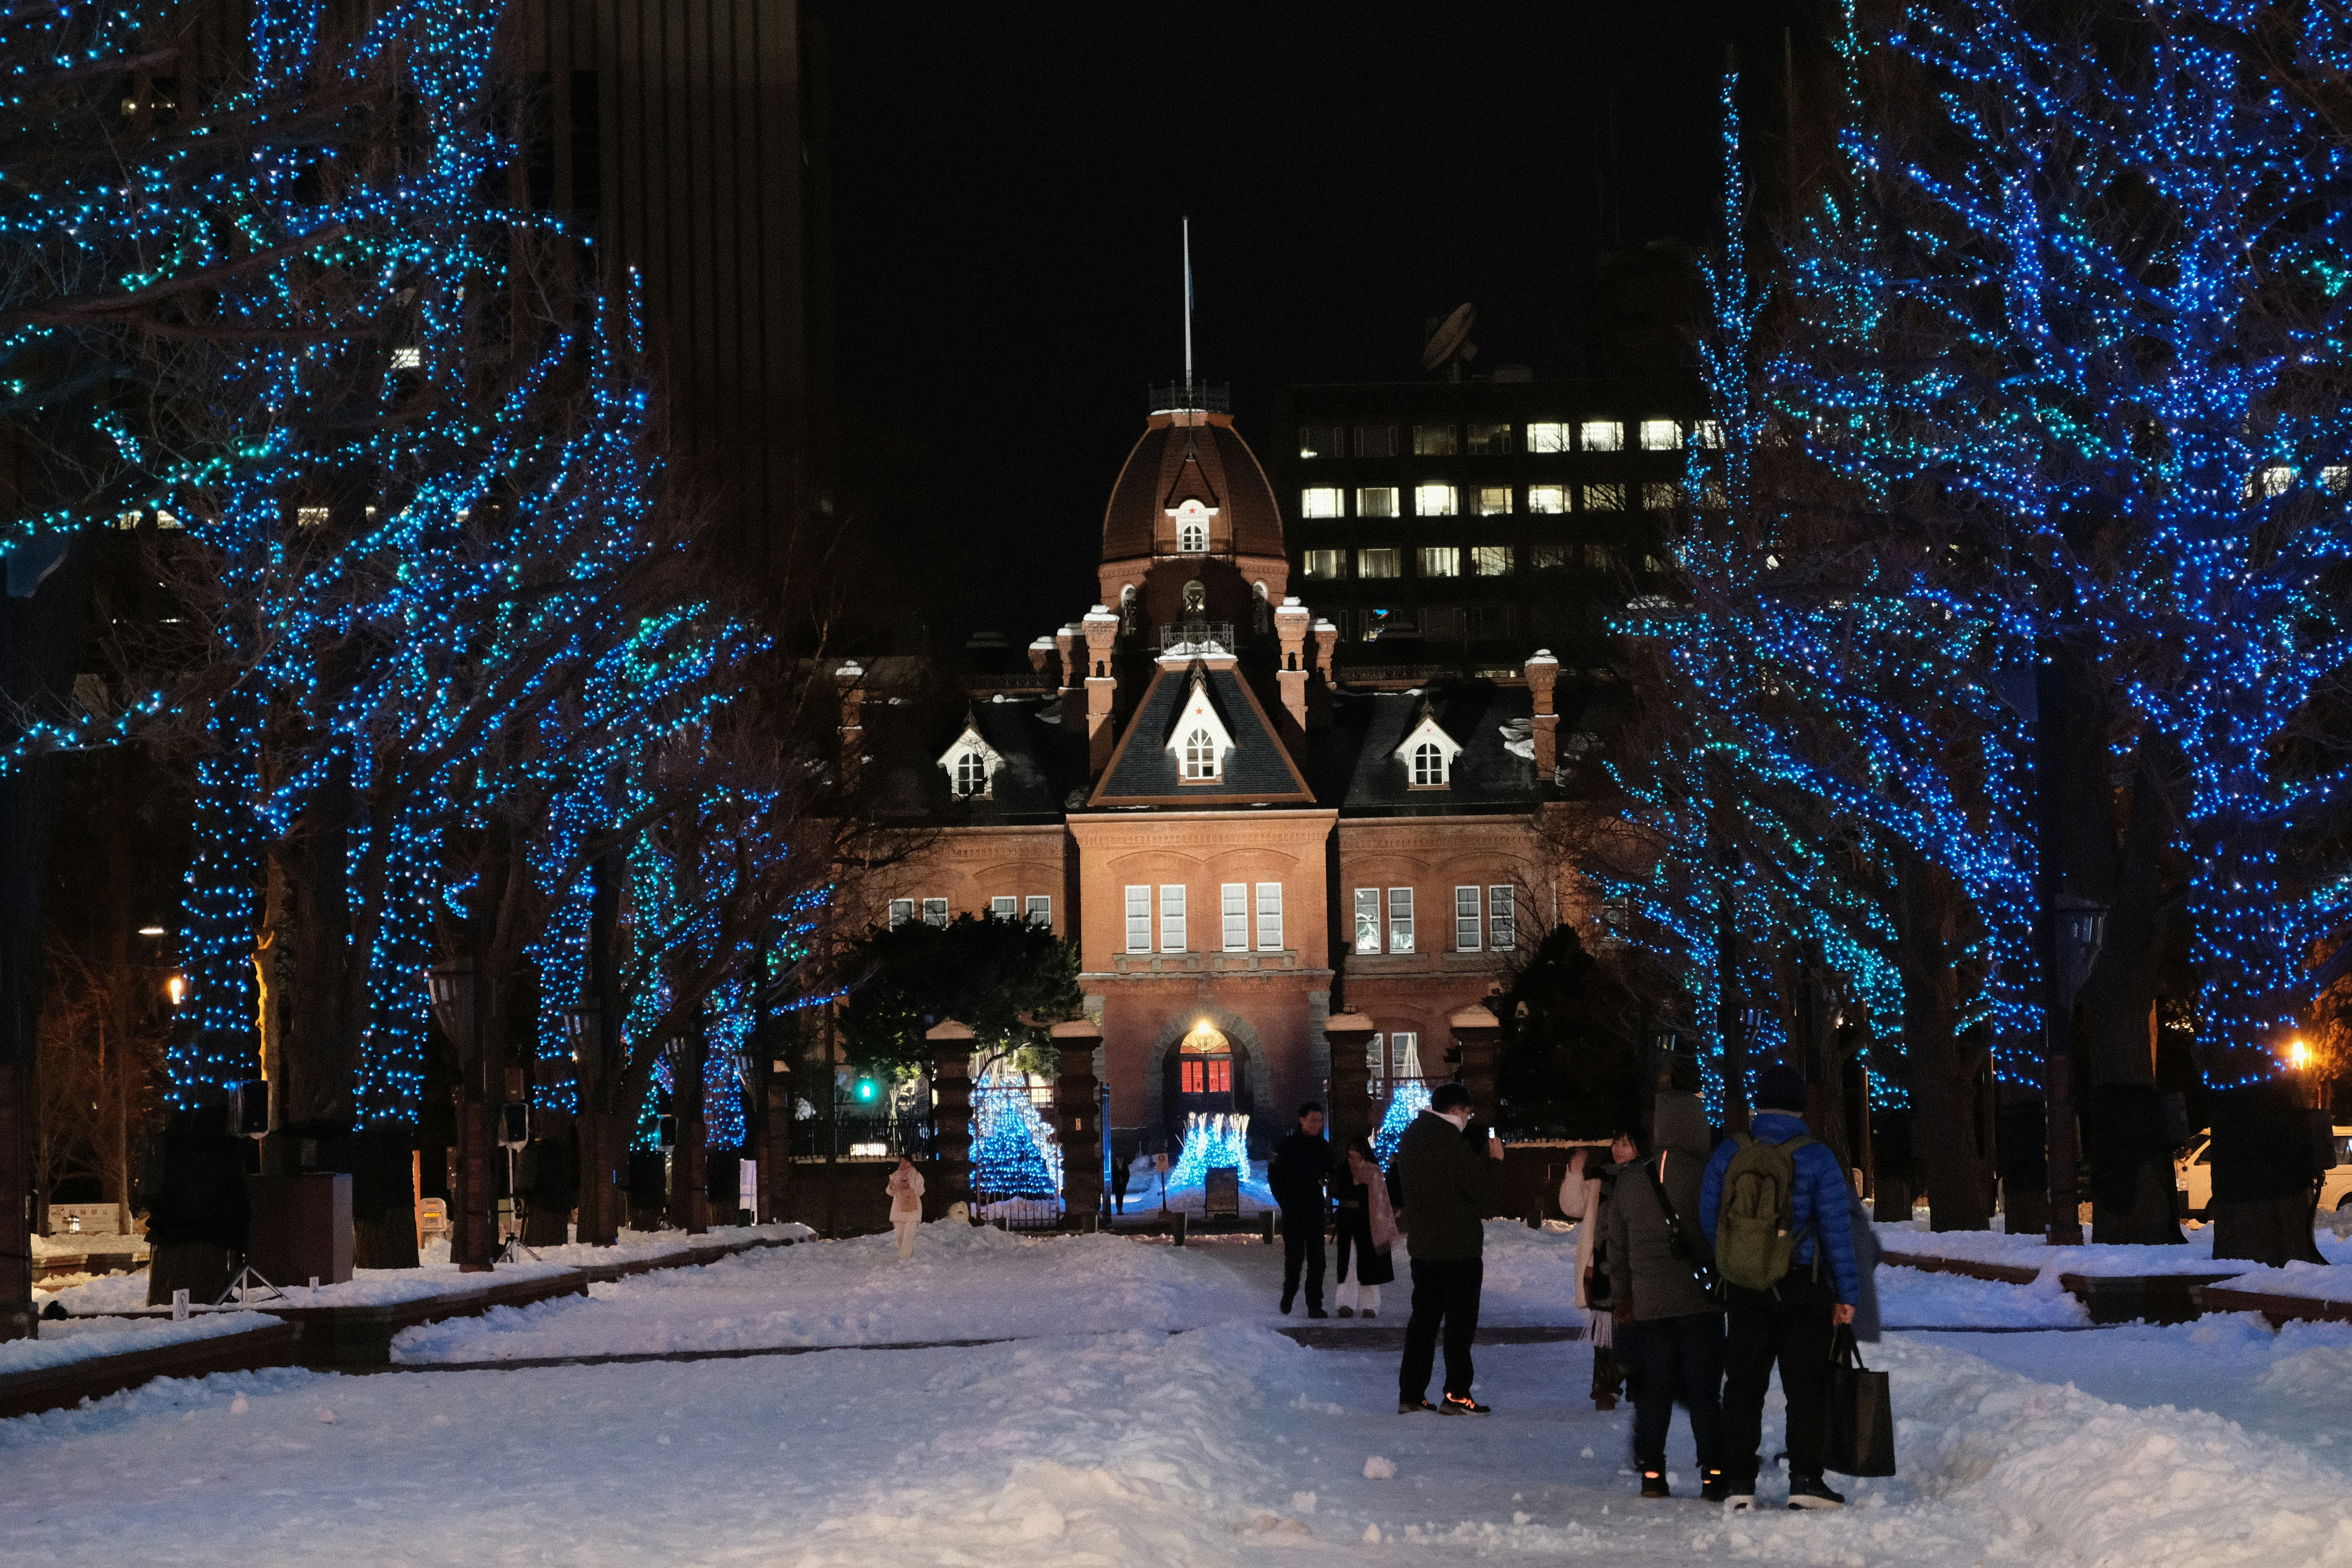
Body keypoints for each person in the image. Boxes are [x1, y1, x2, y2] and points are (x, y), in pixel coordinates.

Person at [1700, 1063, 1860, 1511]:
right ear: (1801, 1104)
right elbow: (1836, 1231)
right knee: (1805, 1387)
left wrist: (1739, 1259)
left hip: (1747, 1287)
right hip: (1803, 1287)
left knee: (1744, 1385)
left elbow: (1708, 1216)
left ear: (1760, 1099)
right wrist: (1847, 1293)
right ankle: (1806, 1480)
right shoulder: (1818, 1157)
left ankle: (1738, 1484)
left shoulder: (1731, 1151)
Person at [1608, 1092, 1726, 1502]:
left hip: (1650, 1306)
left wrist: (1624, 1298)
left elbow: (1617, 1250)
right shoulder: (1711, 1175)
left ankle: (1653, 1474)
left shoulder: (1630, 1181)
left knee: (1653, 1392)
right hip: (1702, 1303)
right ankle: (1714, 1475)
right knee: (1705, 1394)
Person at [1392, 1082, 1504, 1414]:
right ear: (1456, 1110)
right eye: (1467, 1112)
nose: (1469, 1118)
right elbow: (1481, 1193)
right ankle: (1457, 1393)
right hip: (1459, 1249)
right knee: (1459, 1325)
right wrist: (1495, 1160)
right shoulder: (1449, 1142)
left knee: (1423, 1322)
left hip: (1424, 1248)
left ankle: (1411, 1395)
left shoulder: (1412, 1137)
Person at [1559, 1140, 1628, 1410]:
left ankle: (1635, 1383)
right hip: (1600, 1266)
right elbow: (1572, 1206)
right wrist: (1575, 1173)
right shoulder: (1600, 1181)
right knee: (1604, 1331)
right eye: (1617, 1143)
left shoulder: (1648, 1178)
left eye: (1627, 1144)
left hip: (1635, 1265)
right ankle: (1605, 1388)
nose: (1619, 1149)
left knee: (1635, 1326)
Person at [1269, 1103, 1332, 1318]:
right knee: (1294, 1260)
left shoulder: (1323, 1147)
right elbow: (1274, 1177)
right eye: (1313, 1120)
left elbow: (1330, 1172)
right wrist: (1285, 1203)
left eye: (1320, 1120)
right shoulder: (1286, 1145)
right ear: (1302, 1120)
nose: (1317, 1125)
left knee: (1318, 1260)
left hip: (1314, 1210)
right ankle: (1289, 1294)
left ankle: (1314, 1305)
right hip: (1294, 1211)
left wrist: (1327, 1178)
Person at [1332, 1136, 1397, 1318]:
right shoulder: (1344, 1169)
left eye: (1356, 1150)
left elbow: (1379, 1197)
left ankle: (1370, 1305)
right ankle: (1346, 1303)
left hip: (1367, 1221)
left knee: (1368, 1262)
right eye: (1350, 1150)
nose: (1352, 1154)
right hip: (1348, 1221)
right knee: (1348, 1261)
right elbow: (1335, 1190)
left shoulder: (1374, 1171)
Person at [885, 1156, 925, 1261]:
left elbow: (921, 1191)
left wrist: (910, 1186)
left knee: (908, 1236)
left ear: (911, 1163)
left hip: (912, 1210)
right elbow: (890, 1193)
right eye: (902, 1161)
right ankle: (907, 1255)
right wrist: (892, 1187)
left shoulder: (917, 1176)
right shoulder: (895, 1175)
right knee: (900, 1237)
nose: (904, 1163)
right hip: (899, 1210)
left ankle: (906, 1260)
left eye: (906, 1161)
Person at [1111, 1145, 1132, 1216]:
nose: (1120, 1159)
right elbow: (1112, 1175)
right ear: (1117, 1159)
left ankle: (1120, 1210)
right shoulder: (1114, 1166)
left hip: (1123, 1184)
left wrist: (1125, 1182)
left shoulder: (1125, 1166)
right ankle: (1119, 1210)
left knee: (1121, 1197)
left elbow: (1128, 1174)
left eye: (1121, 1158)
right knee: (1118, 1197)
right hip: (1117, 1184)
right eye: (1119, 1158)